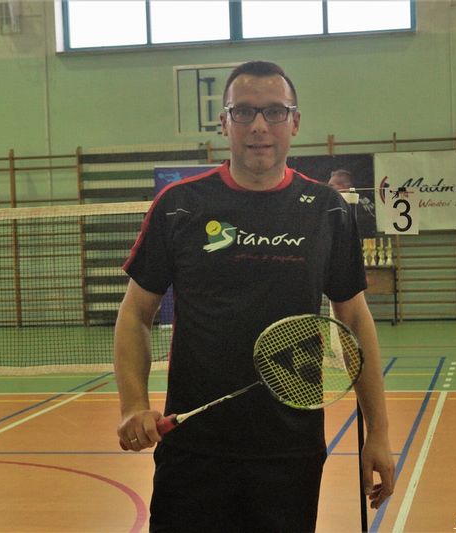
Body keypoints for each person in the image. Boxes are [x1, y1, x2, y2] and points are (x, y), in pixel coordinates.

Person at [114, 60, 394, 532]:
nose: (259, 125)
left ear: (295, 122)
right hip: (194, 447)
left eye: (274, 112)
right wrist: (132, 405)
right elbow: (136, 313)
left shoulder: (327, 211)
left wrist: (378, 434)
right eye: (243, 112)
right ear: (224, 123)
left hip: (289, 449)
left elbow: (354, 321)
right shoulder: (179, 206)